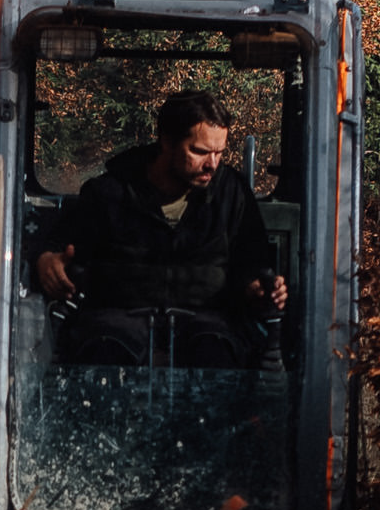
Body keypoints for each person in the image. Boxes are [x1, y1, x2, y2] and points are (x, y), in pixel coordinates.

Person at [31, 88, 290, 367]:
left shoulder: (232, 193)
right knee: (105, 350)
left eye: (219, 153)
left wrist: (260, 288)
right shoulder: (109, 193)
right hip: (117, 320)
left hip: (209, 320)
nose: (212, 165)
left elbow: (253, 264)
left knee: (217, 351)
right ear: (166, 141)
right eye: (200, 152)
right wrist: (47, 261)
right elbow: (59, 247)